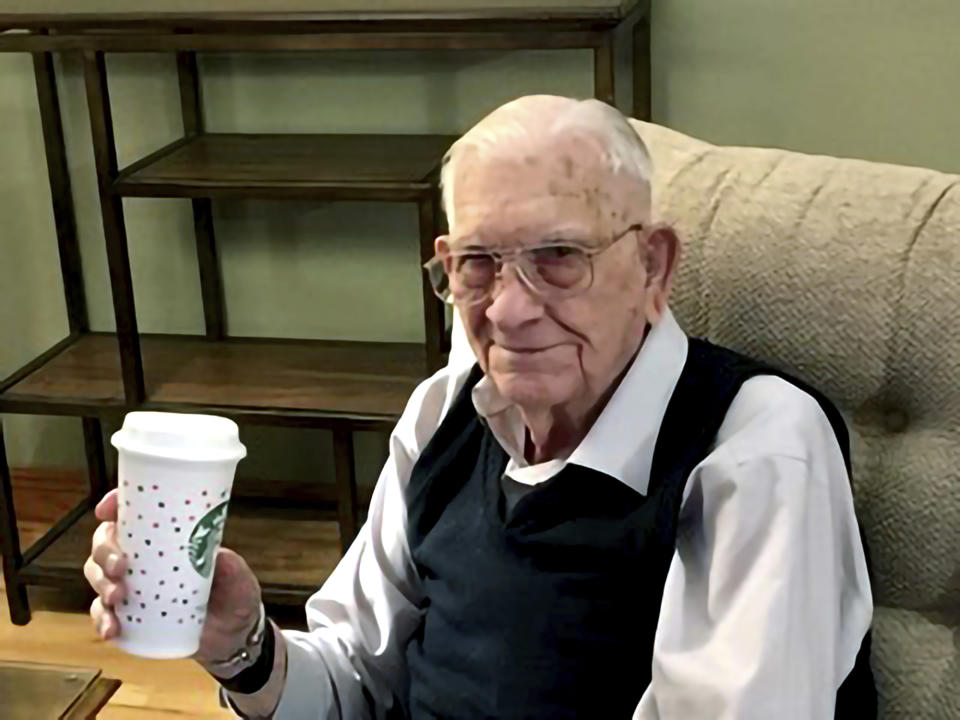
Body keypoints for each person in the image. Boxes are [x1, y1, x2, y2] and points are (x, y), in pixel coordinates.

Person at [84, 95, 875, 719]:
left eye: (558, 258)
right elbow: (353, 680)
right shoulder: (442, 416)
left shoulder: (756, 448)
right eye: (478, 264)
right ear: (444, 266)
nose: (509, 309)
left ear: (652, 264)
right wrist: (241, 643)